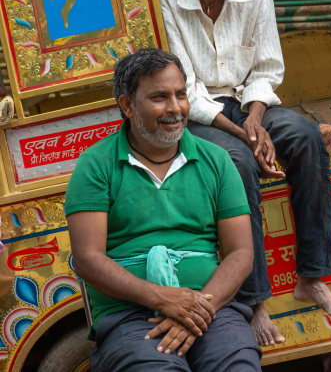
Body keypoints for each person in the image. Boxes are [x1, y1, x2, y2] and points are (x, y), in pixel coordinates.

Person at [157, 0, 331, 348]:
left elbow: (266, 68)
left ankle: (311, 275)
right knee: (236, 162)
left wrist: (257, 119)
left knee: (302, 135)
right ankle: (256, 298)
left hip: (249, 104)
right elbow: (184, 86)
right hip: (198, 112)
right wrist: (245, 135)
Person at [65, 48, 261, 371]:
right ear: (127, 105)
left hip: (211, 308)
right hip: (130, 316)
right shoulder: (95, 165)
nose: (175, 108)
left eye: (181, 95)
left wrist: (194, 311)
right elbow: (88, 260)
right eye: (159, 97)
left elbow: (241, 253)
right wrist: (164, 299)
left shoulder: (217, 161)